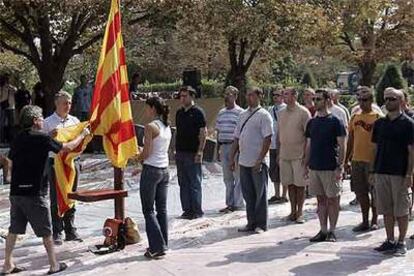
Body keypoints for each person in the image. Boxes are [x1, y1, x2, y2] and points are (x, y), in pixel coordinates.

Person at [2, 105, 89, 275]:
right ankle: (53, 264)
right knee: (46, 231)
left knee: (14, 229)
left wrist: (50, 137)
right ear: (35, 121)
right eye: (41, 117)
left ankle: (7, 265)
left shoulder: (19, 137)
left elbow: (14, 156)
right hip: (35, 192)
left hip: (16, 192)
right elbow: (67, 148)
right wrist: (82, 135)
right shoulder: (42, 139)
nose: (43, 120)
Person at [372, 87, 414, 256]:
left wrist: (409, 174)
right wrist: (372, 170)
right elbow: (374, 149)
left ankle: (401, 242)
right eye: (386, 99)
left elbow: (412, 152)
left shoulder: (408, 124)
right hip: (381, 171)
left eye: (393, 99)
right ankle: (390, 240)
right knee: (386, 209)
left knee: (401, 210)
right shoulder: (379, 123)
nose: (389, 102)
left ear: (400, 101)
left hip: (399, 172)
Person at [304, 89, 347, 242]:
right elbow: (308, 145)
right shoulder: (312, 122)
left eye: (319, 99)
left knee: (333, 200)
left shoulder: (336, 121)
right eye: (314, 99)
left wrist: (340, 166)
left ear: (327, 100)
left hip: (330, 167)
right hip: (315, 167)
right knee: (320, 200)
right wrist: (305, 164)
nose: (315, 102)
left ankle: (332, 231)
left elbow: (342, 145)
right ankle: (322, 230)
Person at [133, 97, 172, 259]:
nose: (146, 111)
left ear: (153, 109)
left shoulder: (150, 127)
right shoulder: (166, 126)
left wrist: (136, 157)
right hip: (164, 170)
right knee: (161, 209)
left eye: (147, 107)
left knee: (148, 210)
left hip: (151, 171)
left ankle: (157, 247)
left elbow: (147, 153)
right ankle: (163, 243)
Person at [230, 87, 273, 234]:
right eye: (247, 95)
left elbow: (267, 139)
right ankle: (251, 222)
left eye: (251, 95)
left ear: (259, 96)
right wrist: (232, 158)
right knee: (248, 193)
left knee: (260, 194)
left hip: (257, 161)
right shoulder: (242, 115)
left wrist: (260, 160)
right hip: (243, 160)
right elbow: (236, 137)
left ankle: (261, 224)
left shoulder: (264, 115)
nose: (249, 98)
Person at [43, 91, 82, 245]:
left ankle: (70, 230)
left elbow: (80, 143)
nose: (68, 106)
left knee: (72, 196)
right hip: (55, 164)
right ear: (57, 104)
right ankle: (57, 231)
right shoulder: (47, 122)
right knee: (56, 197)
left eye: (70, 102)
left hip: (72, 164)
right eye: (65, 103)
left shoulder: (75, 121)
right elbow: (41, 145)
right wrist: (49, 137)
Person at [345, 86, 381, 232]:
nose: (361, 103)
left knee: (374, 192)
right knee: (360, 192)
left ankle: (374, 220)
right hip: (357, 160)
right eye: (359, 100)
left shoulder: (378, 118)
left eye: (365, 100)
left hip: (372, 161)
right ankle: (364, 220)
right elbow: (351, 139)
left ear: (371, 100)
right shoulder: (355, 117)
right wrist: (346, 160)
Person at [278, 88, 311, 224]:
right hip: (285, 154)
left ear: (294, 96)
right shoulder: (280, 113)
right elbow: (279, 133)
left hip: (299, 155)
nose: (283, 97)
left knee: (300, 185)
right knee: (289, 184)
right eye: (283, 94)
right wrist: (278, 153)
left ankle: (300, 212)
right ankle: (292, 211)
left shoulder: (304, 113)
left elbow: (309, 137)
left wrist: (306, 156)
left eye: (286, 94)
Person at [175, 86, 207, 220]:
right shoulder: (179, 113)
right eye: (181, 96)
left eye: (185, 96)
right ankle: (187, 209)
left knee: (194, 182)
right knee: (183, 182)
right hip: (181, 152)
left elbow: (203, 133)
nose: (182, 98)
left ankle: (197, 210)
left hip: (192, 152)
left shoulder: (198, 112)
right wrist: (173, 148)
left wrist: (200, 151)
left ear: (192, 96)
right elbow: (177, 131)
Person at [215, 86, 244, 213]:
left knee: (237, 176)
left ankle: (238, 203)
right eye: (225, 94)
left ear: (235, 96)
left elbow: (242, 133)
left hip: (235, 147)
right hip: (223, 145)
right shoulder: (221, 113)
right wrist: (217, 150)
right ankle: (229, 203)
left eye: (230, 94)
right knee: (227, 178)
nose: (227, 96)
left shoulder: (240, 113)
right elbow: (218, 132)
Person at [267, 89, 288, 204]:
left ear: (282, 97)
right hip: (272, 144)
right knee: (274, 169)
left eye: (278, 95)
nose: (275, 97)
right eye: (274, 95)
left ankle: (284, 195)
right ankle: (276, 194)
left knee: (283, 170)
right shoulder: (270, 109)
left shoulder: (286, 109)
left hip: (283, 144)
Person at [0, 74, 16, 144]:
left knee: (11, 124)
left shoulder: (11, 88)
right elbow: (1, 99)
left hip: (11, 107)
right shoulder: (1, 88)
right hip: (3, 107)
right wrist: (4, 91)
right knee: (1, 124)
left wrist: (9, 87)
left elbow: (16, 90)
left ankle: (11, 139)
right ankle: (1, 139)